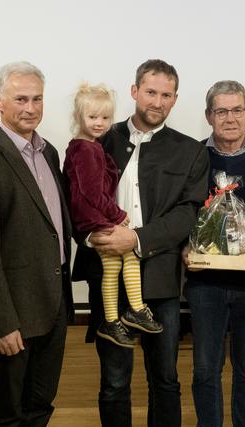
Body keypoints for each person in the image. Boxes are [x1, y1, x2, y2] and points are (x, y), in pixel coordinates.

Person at [71, 59, 209, 427]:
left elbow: (188, 213)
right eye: (151, 92)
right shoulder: (99, 137)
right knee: (114, 381)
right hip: (108, 279)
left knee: (164, 378)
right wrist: (93, 237)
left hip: (161, 280)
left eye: (166, 95)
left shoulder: (190, 151)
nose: (157, 101)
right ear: (134, 92)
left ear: (175, 100)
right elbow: (75, 198)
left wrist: (136, 238)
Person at [0, 61, 74, 426]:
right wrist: (1, 322)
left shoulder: (49, 152)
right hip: (16, 313)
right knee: (7, 410)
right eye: (20, 98)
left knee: (41, 403)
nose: (30, 108)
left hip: (53, 304)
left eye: (37, 99)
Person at [182, 80, 245, 427]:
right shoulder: (193, 155)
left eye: (237, 110)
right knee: (205, 368)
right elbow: (183, 209)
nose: (230, 118)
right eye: (221, 111)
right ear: (209, 115)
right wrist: (185, 247)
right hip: (204, 282)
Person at [64, 83, 162, 349]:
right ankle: (131, 311)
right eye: (92, 117)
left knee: (115, 265)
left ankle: (119, 316)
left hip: (94, 217)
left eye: (106, 118)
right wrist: (117, 215)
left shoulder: (90, 146)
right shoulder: (85, 149)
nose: (99, 123)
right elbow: (92, 193)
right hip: (94, 219)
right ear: (78, 117)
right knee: (126, 255)